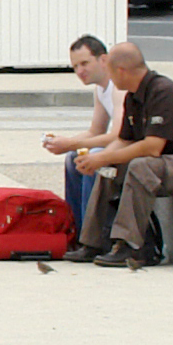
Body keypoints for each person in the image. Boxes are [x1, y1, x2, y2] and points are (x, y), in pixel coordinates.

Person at [68, 41, 173, 267]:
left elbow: (152, 147)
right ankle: (93, 243)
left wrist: (103, 157)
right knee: (108, 168)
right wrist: (97, 161)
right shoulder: (133, 96)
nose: (110, 78)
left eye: (111, 72)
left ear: (121, 71)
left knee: (140, 166)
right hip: (169, 164)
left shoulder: (163, 92)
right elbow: (124, 140)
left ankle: (131, 246)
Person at [41, 34, 122, 233]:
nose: (80, 71)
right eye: (75, 66)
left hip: (137, 148)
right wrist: (64, 142)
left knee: (91, 157)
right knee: (73, 157)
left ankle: (91, 235)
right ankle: (77, 229)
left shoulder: (119, 86)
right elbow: (95, 131)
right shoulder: (100, 89)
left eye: (85, 63)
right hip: (121, 145)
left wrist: (71, 144)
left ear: (103, 60)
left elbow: (118, 135)